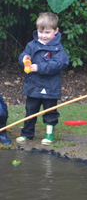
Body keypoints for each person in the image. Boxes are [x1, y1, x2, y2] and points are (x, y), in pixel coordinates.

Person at [16, 12, 69, 146]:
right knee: (30, 110)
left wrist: (39, 67)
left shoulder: (58, 48)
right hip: (33, 85)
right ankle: (27, 133)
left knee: (50, 111)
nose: (43, 36)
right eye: (41, 32)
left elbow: (60, 64)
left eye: (47, 32)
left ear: (56, 31)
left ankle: (49, 134)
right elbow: (24, 55)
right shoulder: (32, 44)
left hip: (50, 86)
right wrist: (24, 59)